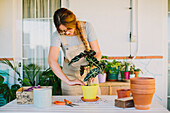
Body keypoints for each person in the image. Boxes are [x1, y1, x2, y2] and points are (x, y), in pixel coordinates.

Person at [48, 8, 102, 95]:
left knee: (93, 106)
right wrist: (68, 81)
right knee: (72, 107)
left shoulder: (87, 27)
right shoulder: (56, 35)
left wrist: (92, 70)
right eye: (62, 31)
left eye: (68, 29)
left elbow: (97, 53)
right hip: (70, 77)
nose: (66, 33)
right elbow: (52, 61)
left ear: (73, 23)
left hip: (89, 76)